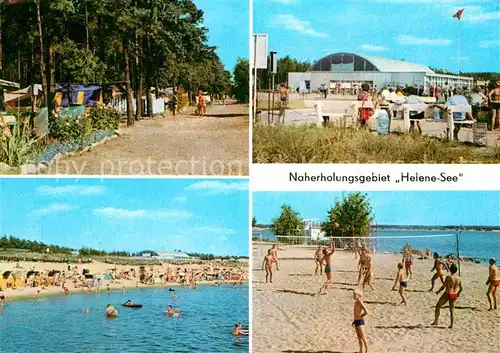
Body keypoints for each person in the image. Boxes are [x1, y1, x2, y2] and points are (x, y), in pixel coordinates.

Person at [431, 264, 463, 329]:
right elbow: (461, 288)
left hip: (448, 294)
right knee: (451, 310)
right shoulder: (459, 278)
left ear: (450, 270)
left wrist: (438, 291)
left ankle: (436, 321)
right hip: (454, 294)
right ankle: (452, 325)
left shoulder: (449, 277)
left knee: (438, 306)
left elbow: (443, 286)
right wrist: (458, 293)